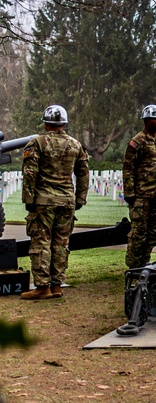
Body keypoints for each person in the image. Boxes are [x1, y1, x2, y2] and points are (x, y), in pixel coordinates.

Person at [20, 105, 90, 300]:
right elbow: (84, 173)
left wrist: (28, 200)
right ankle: (57, 285)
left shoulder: (37, 143)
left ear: (45, 123)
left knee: (41, 242)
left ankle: (42, 287)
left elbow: (30, 173)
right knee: (61, 243)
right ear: (64, 123)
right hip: (67, 201)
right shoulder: (76, 144)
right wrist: (80, 199)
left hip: (43, 201)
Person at [122, 105, 156, 269]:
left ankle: (144, 263)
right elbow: (128, 168)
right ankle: (134, 266)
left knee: (153, 233)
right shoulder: (137, 142)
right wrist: (130, 193)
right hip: (140, 196)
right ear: (146, 120)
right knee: (138, 234)